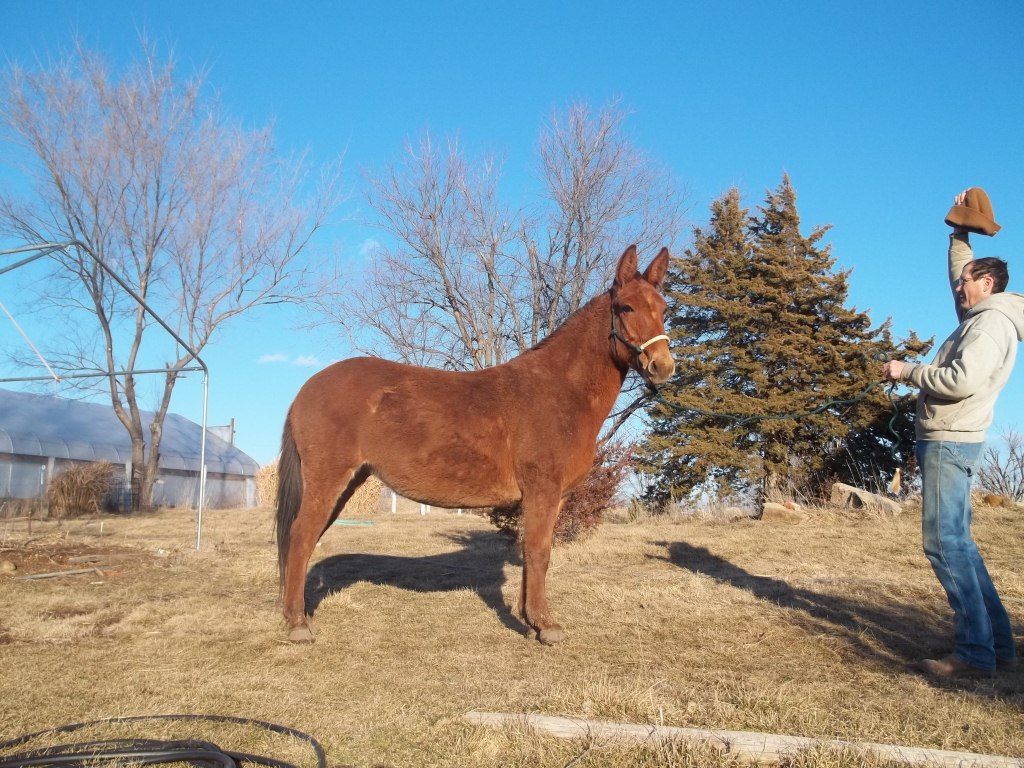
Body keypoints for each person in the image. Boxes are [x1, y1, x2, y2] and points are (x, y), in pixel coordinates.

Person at [883, 187, 1022, 679]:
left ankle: (973, 655)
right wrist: (959, 233)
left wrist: (907, 372)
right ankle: (998, 646)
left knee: (943, 544)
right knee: (960, 544)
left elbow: (961, 381)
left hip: (948, 440)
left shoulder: (989, 326)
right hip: (953, 439)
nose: (959, 289)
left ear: (987, 283)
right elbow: (959, 274)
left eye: (966, 283)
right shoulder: (986, 315)